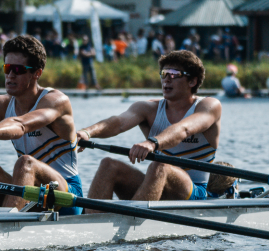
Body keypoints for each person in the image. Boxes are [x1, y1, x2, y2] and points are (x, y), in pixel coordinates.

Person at [77, 50, 221, 206]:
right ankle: (93, 219)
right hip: (156, 184)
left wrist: (152, 143)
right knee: (108, 165)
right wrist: (87, 132)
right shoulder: (148, 108)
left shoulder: (209, 106)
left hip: (195, 192)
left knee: (161, 164)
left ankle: (133, 222)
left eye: (173, 74)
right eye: (164, 73)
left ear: (192, 81)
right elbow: (118, 123)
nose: (166, 79)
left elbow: (183, 129)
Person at [0, 35, 84, 215]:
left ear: (37, 73)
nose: (10, 75)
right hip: (30, 191)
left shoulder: (56, 101)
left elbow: (21, 125)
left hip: (66, 195)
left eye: (18, 70)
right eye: (7, 68)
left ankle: (6, 230)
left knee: (26, 163)